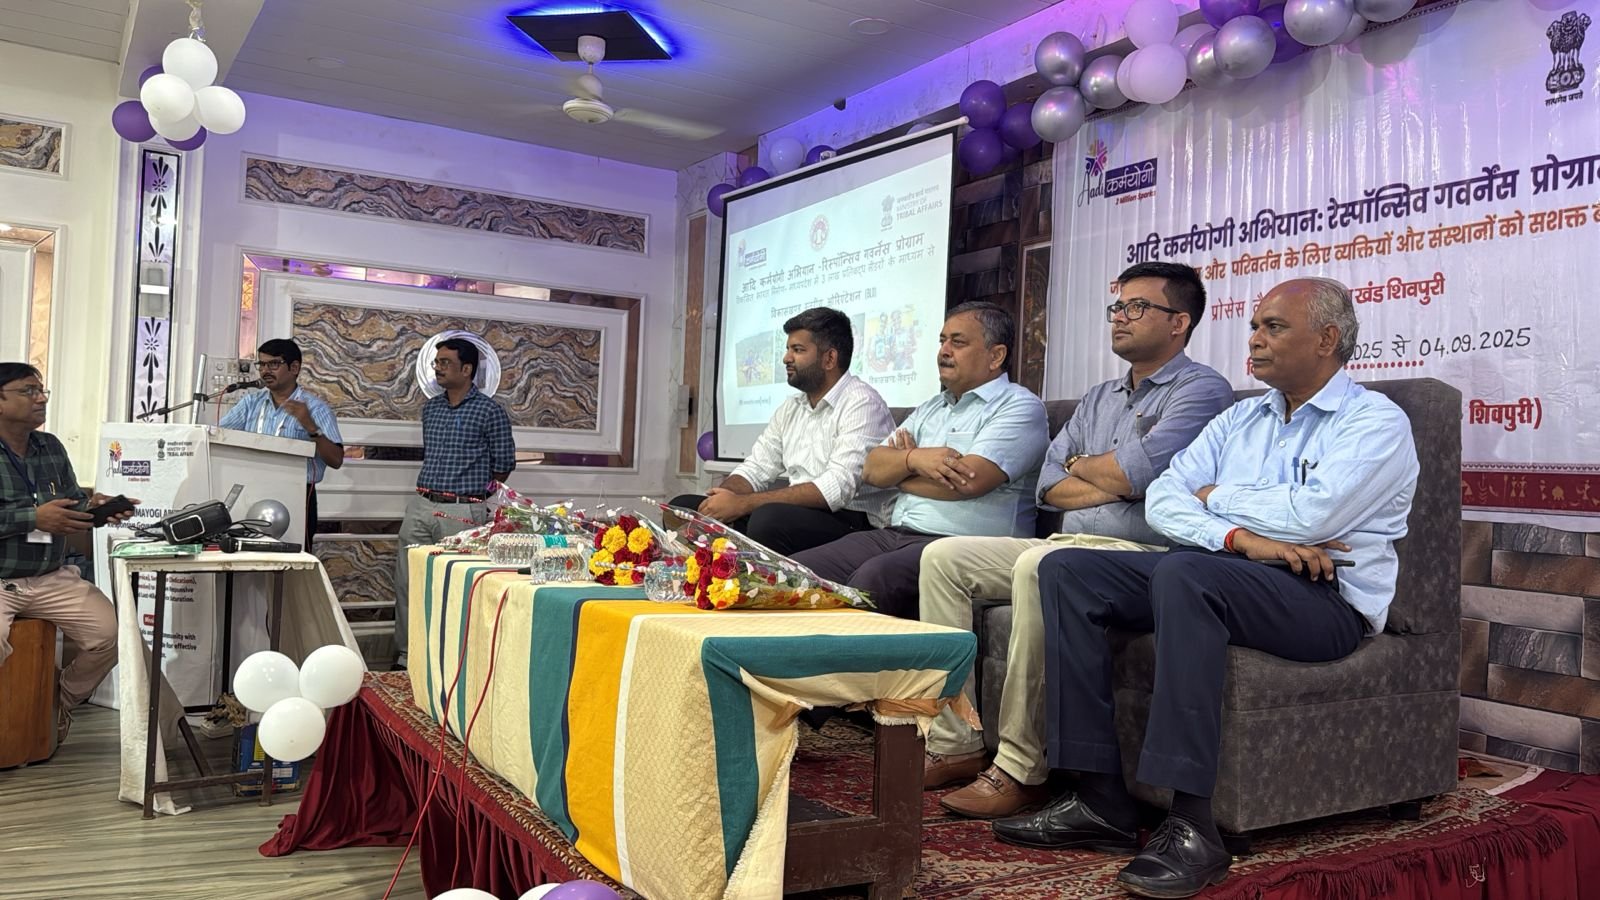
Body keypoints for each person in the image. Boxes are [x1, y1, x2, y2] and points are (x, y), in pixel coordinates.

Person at [994, 278, 1419, 899]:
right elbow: (1165, 499)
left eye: (1273, 327)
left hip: (1322, 598)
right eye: (1255, 326)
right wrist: (1241, 538)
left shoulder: (1375, 421)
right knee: (1066, 570)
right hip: (1227, 567)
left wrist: (1216, 497)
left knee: (1183, 572)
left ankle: (1192, 824)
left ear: (1327, 338)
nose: (1255, 339)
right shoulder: (1240, 417)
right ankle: (1098, 798)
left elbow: (1314, 517)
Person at [921, 263, 1234, 819]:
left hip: (1144, 556)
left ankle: (1020, 768)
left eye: (1137, 307)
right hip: (1070, 543)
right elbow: (1049, 485)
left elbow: (1142, 475)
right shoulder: (1098, 397)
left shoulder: (1203, 390)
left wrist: (1091, 468)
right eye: (1117, 307)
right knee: (943, 559)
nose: (1120, 317)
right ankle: (955, 742)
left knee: (1040, 568)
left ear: (1179, 322)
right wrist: (1111, 477)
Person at [791, 302, 1049, 619]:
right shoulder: (932, 408)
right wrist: (916, 459)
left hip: (961, 546)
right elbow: (871, 469)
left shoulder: (1019, 406)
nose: (944, 351)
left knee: (874, 579)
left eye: (958, 342)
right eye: (942, 341)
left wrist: (900, 473)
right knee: (795, 574)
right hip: (895, 533)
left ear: (996, 356)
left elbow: (969, 481)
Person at [669, 307, 894, 555]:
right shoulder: (791, 407)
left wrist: (742, 504)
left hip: (852, 520)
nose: (786, 358)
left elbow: (836, 488)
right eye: (788, 349)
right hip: (798, 514)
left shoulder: (862, 403)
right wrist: (719, 499)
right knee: (684, 508)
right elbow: (756, 467)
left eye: (798, 350)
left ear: (829, 359)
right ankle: (716, 572)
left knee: (768, 520)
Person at [0, 363, 138, 747]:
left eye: (42, 390)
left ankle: (56, 704)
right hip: (1, 580)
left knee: (111, 635)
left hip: (50, 576)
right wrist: (33, 518)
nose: (40, 399)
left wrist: (96, 508)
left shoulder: (51, 447)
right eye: (28, 391)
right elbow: (40, 516)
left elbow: (73, 502)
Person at [391, 338, 515, 669]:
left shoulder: (490, 411)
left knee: (456, 586)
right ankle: (407, 656)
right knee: (408, 582)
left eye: (445, 362)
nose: (438, 368)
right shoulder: (431, 409)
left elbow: (504, 464)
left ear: (467, 369)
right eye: (436, 362)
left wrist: (472, 495)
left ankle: (453, 658)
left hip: (462, 511)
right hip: (422, 504)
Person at [218, 338, 343, 540]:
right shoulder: (250, 404)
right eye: (262, 365)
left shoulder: (315, 409)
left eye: (274, 364)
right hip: (252, 491)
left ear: (294, 368)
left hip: (297, 495)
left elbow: (336, 460)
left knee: (293, 555)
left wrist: (311, 427)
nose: (265, 371)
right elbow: (220, 438)